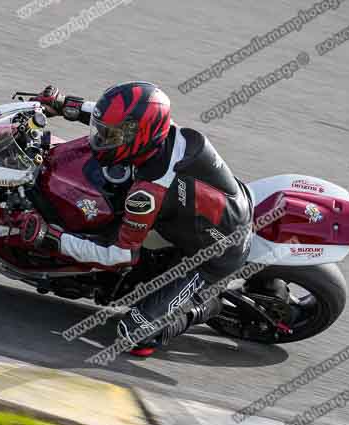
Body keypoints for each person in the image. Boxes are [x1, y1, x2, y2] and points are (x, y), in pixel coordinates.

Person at [19, 81, 254, 356]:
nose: (101, 139)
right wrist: (64, 105)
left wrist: (52, 239)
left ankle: (209, 303)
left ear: (139, 137)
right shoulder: (163, 133)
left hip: (214, 258)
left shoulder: (148, 193)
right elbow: (118, 121)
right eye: (104, 132)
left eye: (110, 136)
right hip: (215, 209)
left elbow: (119, 256)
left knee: (134, 335)